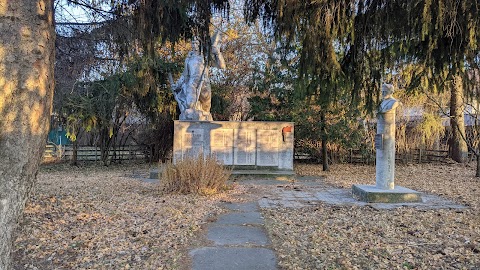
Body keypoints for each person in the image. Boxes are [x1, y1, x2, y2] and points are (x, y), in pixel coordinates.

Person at [170, 31, 225, 121]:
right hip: (192, 83)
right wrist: (177, 85)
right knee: (189, 105)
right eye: (192, 43)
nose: (194, 45)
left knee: (206, 108)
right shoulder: (188, 59)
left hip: (204, 82)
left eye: (196, 43)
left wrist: (217, 53)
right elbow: (185, 76)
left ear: (200, 45)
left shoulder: (205, 58)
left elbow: (221, 66)